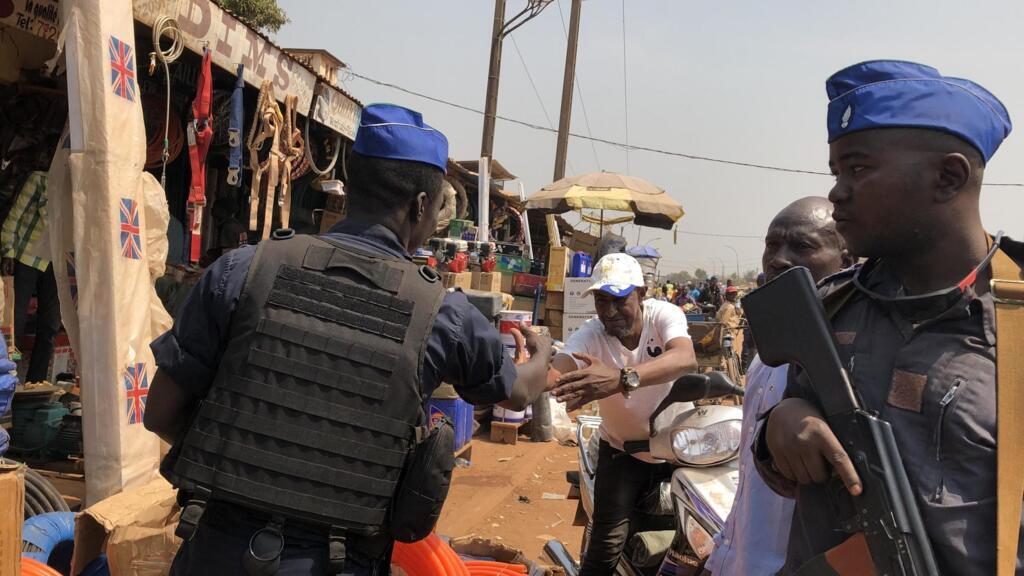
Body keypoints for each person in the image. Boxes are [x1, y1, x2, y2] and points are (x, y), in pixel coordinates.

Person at [145, 104, 554, 575]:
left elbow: (161, 412)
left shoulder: (242, 270)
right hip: (337, 562)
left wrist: (241, 468)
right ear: (421, 205)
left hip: (215, 550)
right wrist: (542, 354)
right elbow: (516, 391)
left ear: (350, 188)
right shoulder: (442, 314)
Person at [754, 61, 1024, 574]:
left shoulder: (1014, 324)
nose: (837, 193)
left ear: (948, 177)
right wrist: (779, 427)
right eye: (836, 173)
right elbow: (785, 465)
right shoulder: (831, 306)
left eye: (858, 169)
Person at [703, 197, 853, 576]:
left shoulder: (852, 364)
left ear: (846, 260)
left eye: (802, 246)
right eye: (773, 245)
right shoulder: (767, 357)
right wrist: (721, 554)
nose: (779, 259)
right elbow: (751, 483)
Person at [549, 253, 698, 575]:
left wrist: (620, 379)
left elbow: (685, 358)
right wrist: (528, 371)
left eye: (619, 300)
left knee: (696, 539)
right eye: (602, 301)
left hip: (678, 450)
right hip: (621, 451)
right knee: (606, 547)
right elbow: (556, 371)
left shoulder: (663, 315)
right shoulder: (592, 334)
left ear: (641, 294)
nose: (610, 311)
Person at [1, 171, 61, 383]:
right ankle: (11, 376)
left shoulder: (77, 188)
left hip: (55, 264)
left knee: (50, 326)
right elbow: (14, 217)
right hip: (27, 257)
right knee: (15, 324)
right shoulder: (39, 180)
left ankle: (35, 382)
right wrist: (8, 251)